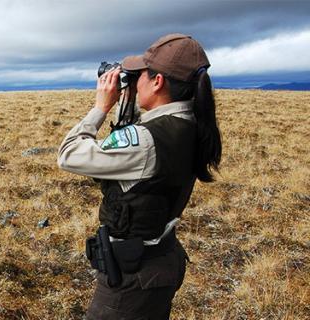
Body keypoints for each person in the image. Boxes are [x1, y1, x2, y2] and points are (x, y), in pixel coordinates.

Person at [57, 33, 222, 319]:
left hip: (133, 280)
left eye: (140, 74)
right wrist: (129, 106)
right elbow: (137, 172)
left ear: (158, 82)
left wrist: (101, 108)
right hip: (161, 262)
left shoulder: (145, 140)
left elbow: (68, 155)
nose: (134, 79)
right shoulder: (192, 124)